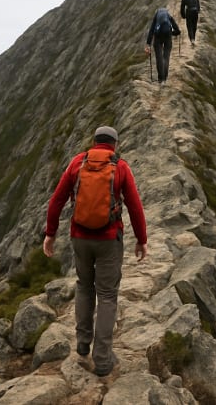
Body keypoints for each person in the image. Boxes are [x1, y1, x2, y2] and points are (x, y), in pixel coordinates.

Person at [43, 125, 148, 377]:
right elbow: (134, 206)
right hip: (109, 239)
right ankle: (102, 359)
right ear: (114, 144)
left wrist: (50, 233)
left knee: (84, 286)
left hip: (80, 237)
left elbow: (57, 199)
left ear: (94, 142)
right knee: (108, 296)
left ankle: (82, 343)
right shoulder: (120, 167)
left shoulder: (77, 163)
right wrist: (141, 239)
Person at [145, 7, 180, 84]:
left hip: (158, 37)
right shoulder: (168, 16)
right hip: (168, 36)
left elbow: (151, 30)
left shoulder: (156, 16)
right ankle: (165, 78)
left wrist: (148, 44)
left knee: (159, 57)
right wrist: (172, 33)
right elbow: (178, 31)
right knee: (166, 57)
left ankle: (161, 78)